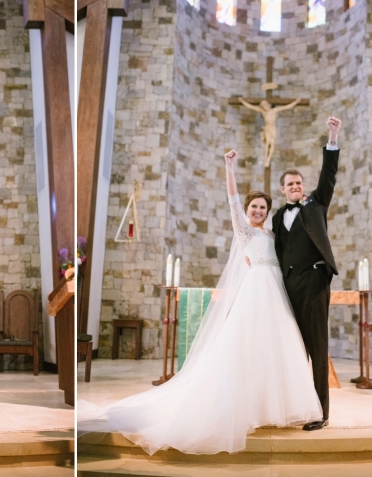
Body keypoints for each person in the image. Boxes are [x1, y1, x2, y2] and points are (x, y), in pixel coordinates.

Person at [77, 149, 321, 456]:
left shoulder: (273, 234)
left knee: (276, 347)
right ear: (247, 211)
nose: (258, 210)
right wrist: (229, 167)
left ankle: (272, 408)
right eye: (254, 207)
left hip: (276, 293)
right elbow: (232, 200)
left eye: (262, 207)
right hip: (256, 293)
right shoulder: (244, 231)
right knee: (247, 349)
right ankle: (245, 407)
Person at [272, 116, 341, 431]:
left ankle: (321, 413)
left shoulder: (316, 205)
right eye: (291, 184)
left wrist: (332, 136)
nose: (296, 187)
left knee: (317, 347)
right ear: (283, 189)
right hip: (288, 287)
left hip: (313, 283)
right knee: (292, 348)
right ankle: (297, 405)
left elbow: (329, 175)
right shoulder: (276, 217)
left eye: (300, 183)